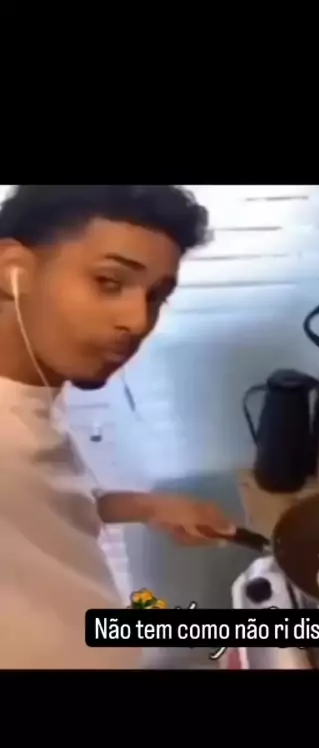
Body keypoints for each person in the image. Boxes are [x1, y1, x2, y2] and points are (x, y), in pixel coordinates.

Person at [0, 185, 237, 669]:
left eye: (157, 297)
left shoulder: (31, 393)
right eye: (109, 281)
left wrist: (146, 506)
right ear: (12, 269)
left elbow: (48, 505)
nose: (138, 321)